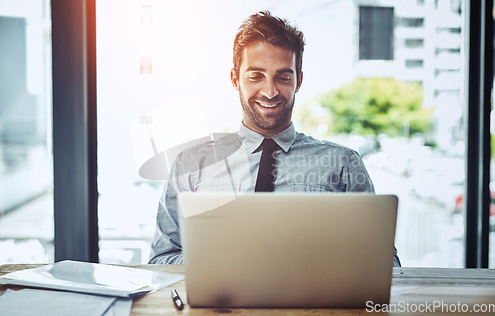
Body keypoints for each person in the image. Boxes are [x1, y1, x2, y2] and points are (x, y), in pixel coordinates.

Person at [149, 10, 401, 267]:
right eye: (255, 76)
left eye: (283, 77)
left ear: (298, 81)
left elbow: (385, 263)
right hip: (219, 306)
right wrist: (218, 262)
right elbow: (160, 260)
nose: (270, 91)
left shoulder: (343, 164)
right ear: (235, 79)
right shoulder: (192, 164)